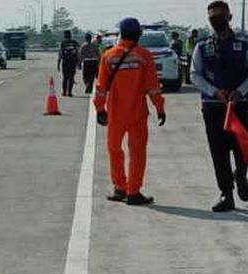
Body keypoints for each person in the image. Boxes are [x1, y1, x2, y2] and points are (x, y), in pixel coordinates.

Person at [190, 0, 248, 212]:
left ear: (229, 17)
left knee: (242, 148)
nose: (217, 22)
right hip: (213, 106)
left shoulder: (243, 44)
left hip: (239, 104)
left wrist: (241, 90)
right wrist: (214, 91)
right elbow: (195, 74)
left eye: (221, 17)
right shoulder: (202, 46)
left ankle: (241, 174)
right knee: (218, 151)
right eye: (213, 19)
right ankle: (226, 193)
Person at [94, 17, 166, 206]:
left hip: (115, 113)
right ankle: (133, 192)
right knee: (137, 152)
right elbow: (153, 86)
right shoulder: (144, 56)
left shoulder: (108, 56)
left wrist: (100, 108)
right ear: (138, 34)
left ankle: (119, 188)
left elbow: (101, 86)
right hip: (138, 113)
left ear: (121, 34)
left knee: (114, 150)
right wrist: (160, 108)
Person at [57, 29, 80, 96]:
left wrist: (58, 63)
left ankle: (64, 92)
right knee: (71, 77)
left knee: (65, 78)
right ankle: (70, 92)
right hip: (73, 62)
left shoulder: (63, 43)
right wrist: (78, 63)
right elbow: (78, 53)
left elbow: (60, 53)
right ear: (70, 35)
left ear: (64, 36)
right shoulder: (74, 43)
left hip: (65, 62)